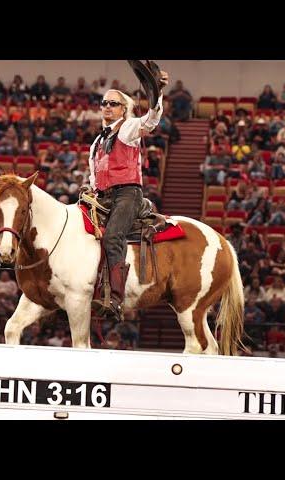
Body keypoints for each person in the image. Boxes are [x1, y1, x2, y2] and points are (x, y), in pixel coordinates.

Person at [88, 68, 169, 321]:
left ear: (123, 109)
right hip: (102, 196)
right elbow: (93, 176)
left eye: (113, 103)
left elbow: (151, 120)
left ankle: (116, 298)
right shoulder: (96, 143)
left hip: (127, 194)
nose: (107, 107)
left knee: (113, 236)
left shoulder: (128, 128)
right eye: (104, 103)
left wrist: (157, 91)